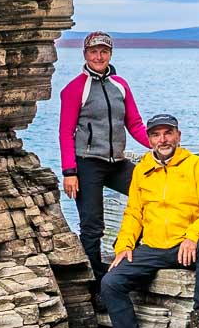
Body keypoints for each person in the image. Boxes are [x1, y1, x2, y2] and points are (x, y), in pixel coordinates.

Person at [98, 113, 199, 328]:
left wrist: (193, 236)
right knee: (111, 282)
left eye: (168, 133)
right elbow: (134, 213)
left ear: (178, 136)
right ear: (149, 140)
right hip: (154, 247)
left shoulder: (198, 167)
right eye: (156, 135)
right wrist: (124, 245)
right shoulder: (142, 171)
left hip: (187, 244)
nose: (163, 139)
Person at [57, 31, 150, 280]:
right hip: (87, 164)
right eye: (93, 51)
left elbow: (135, 123)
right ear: (85, 54)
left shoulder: (120, 85)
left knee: (150, 192)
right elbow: (65, 133)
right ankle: (96, 278)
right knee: (92, 224)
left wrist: (158, 143)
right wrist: (69, 172)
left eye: (104, 51)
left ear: (110, 54)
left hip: (116, 162)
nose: (99, 56)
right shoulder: (75, 89)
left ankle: (130, 246)